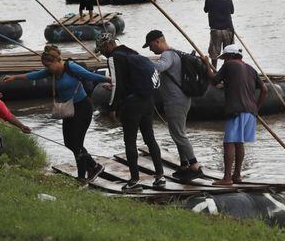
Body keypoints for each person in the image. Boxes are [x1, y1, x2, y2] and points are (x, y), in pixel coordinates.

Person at [3, 45, 109, 182]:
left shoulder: (70, 67)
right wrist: (14, 77)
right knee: (68, 142)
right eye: (46, 66)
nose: (47, 69)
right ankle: (94, 166)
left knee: (77, 143)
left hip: (82, 108)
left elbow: (88, 75)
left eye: (49, 65)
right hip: (68, 109)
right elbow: (34, 74)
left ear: (57, 61)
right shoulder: (50, 71)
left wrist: (108, 79)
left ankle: (82, 177)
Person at [95, 33, 165, 192]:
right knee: (150, 138)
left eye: (102, 49)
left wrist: (112, 108)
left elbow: (117, 84)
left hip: (132, 105)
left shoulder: (113, 57)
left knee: (130, 141)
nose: (103, 53)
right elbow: (128, 80)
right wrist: (116, 87)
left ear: (108, 45)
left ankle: (134, 181)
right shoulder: (131, 52)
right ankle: (160, 177)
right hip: (147, 101)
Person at [201, 45, 267, 185]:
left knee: (229, 143)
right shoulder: (250, 69)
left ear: (230, 57)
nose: (224, 61)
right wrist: (256, 109)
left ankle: (227, 178)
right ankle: (237, 176)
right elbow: (264, 90)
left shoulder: (229, 65)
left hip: (236, 111)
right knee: (239, 142)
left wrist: (207, 64)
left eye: (225, 58)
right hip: (250, 112)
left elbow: (213, 80)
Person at [143, 30, 202, 181]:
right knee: (177, 133)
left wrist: (142, 61)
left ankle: (194, 166)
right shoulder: (175, 53)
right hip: (180, 99)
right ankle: (184, 165)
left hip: (176, 100)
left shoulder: (167, 55)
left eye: (150, 46)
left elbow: (160, 67)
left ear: (157, 41)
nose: (150, 50)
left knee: (179, 134)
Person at [203, 0, 235, 70]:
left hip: (216, 30)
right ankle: (226, 71)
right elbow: (232, 11)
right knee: (229, 53)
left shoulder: (209, 0)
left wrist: (208, 1)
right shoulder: (229, 0)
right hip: (228, 29)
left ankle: (214, 72)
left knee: (214, 54)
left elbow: (205, 10)